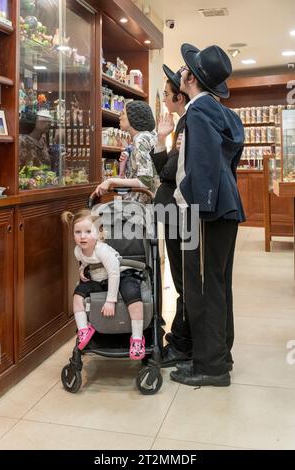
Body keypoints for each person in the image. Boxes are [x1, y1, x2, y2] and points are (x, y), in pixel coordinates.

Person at [170, 44, 245, 387]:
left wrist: (191, 206)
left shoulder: (198, 114)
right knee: (218, 283)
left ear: (192, 78)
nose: (182, 72)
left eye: (186, 69)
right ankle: (220, 354)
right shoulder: (225, 114)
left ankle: (210, 366)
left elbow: (199, 167)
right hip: (226, 207)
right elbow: (229, 162)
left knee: (200, 286)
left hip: (204, 213)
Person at [62, 209, 146, 359]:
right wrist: (82, 269)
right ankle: (83, 330)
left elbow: (114, 273)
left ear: (99, 233)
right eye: (78, 232)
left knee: (133, 296)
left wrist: (110, 300)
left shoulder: (102, 250)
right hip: (99, 279)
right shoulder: (78, 251)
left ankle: (137, 338)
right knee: (77, 294)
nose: (82, 236)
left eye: (88, 231)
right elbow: (85, 261)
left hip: (121, 275)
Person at [151, 65, 192, 365]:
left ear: (178, 96)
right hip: (173, 212)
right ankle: (181, 337)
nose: (164, 100)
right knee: (179, 276)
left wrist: (160, 141)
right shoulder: (181, 125)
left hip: (179, 212)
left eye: (166, 95)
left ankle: (182, 342)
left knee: (182, 277)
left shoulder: (188, 124)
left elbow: (168, 173)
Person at [95, 100, 159, 204]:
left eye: (123, 113)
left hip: (142, 208)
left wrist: (110, 181)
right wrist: (122, 169)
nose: (119, 116)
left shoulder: (140, 140)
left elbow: (145, 181)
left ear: (134, 117)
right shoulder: (148, 137)